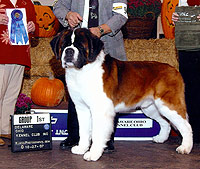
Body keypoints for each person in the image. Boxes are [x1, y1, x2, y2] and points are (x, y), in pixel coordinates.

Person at [53, 0, 128, 151]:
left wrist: (100, 30)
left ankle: (106, 140)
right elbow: (58, 6)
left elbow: (121, 15)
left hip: (108, 44)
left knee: (108, 97)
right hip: (77, 46)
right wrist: (68, 15)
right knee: (77, 93)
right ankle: (75, 136)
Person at [0, 0, 38, 146]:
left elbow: (35, 27)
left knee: (11, 95)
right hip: (2, 53)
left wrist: (33, 27)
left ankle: (4, 128)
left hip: (20, 53)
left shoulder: (27, 2)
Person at [172, 0, 200, 143]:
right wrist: (177, 19)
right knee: (189, 89)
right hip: (187, 47)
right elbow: (182, 13)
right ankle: (193, 132)